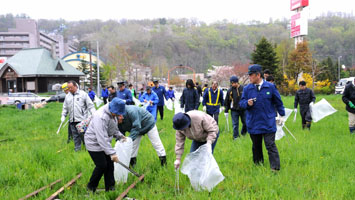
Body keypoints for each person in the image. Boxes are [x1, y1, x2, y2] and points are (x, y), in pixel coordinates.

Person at [240, 64, 285, 171]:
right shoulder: (247, 89)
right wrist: (247, 103)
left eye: (251, 75)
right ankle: (258, 165)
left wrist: (281, 115)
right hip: (253, 122)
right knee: (256, 146)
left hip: (268, 121)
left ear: (258, 75)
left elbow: (278, 102)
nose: (249, 77)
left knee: (270, 145)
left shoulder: (270, 87)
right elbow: (241, 103)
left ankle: (275, 168)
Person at [84, 98, 126, 192]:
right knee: (102, 165)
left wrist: (120, 136)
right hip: (93, 143)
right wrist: (112, 153)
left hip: (104, 143)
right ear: (112, 109)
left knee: (110, 165)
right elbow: (101, 137)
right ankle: (91, 188)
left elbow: (113, 128)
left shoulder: (112, 114)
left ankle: (110, 188)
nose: (118, 115)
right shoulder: (101, 116)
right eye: (117, 113)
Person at [61, 80, 96, 151]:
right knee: (75, 136)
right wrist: (63, 115)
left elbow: (90, 105)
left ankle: (89, 148)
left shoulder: (83, 94)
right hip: (72, 120)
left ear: (75, 86)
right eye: (68, 88)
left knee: (83, 135)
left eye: (71, 88)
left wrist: (93, 113)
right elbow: (65, 107)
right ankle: (77, 149)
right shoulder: (68, 96)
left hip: (82, 120)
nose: (70, 89)